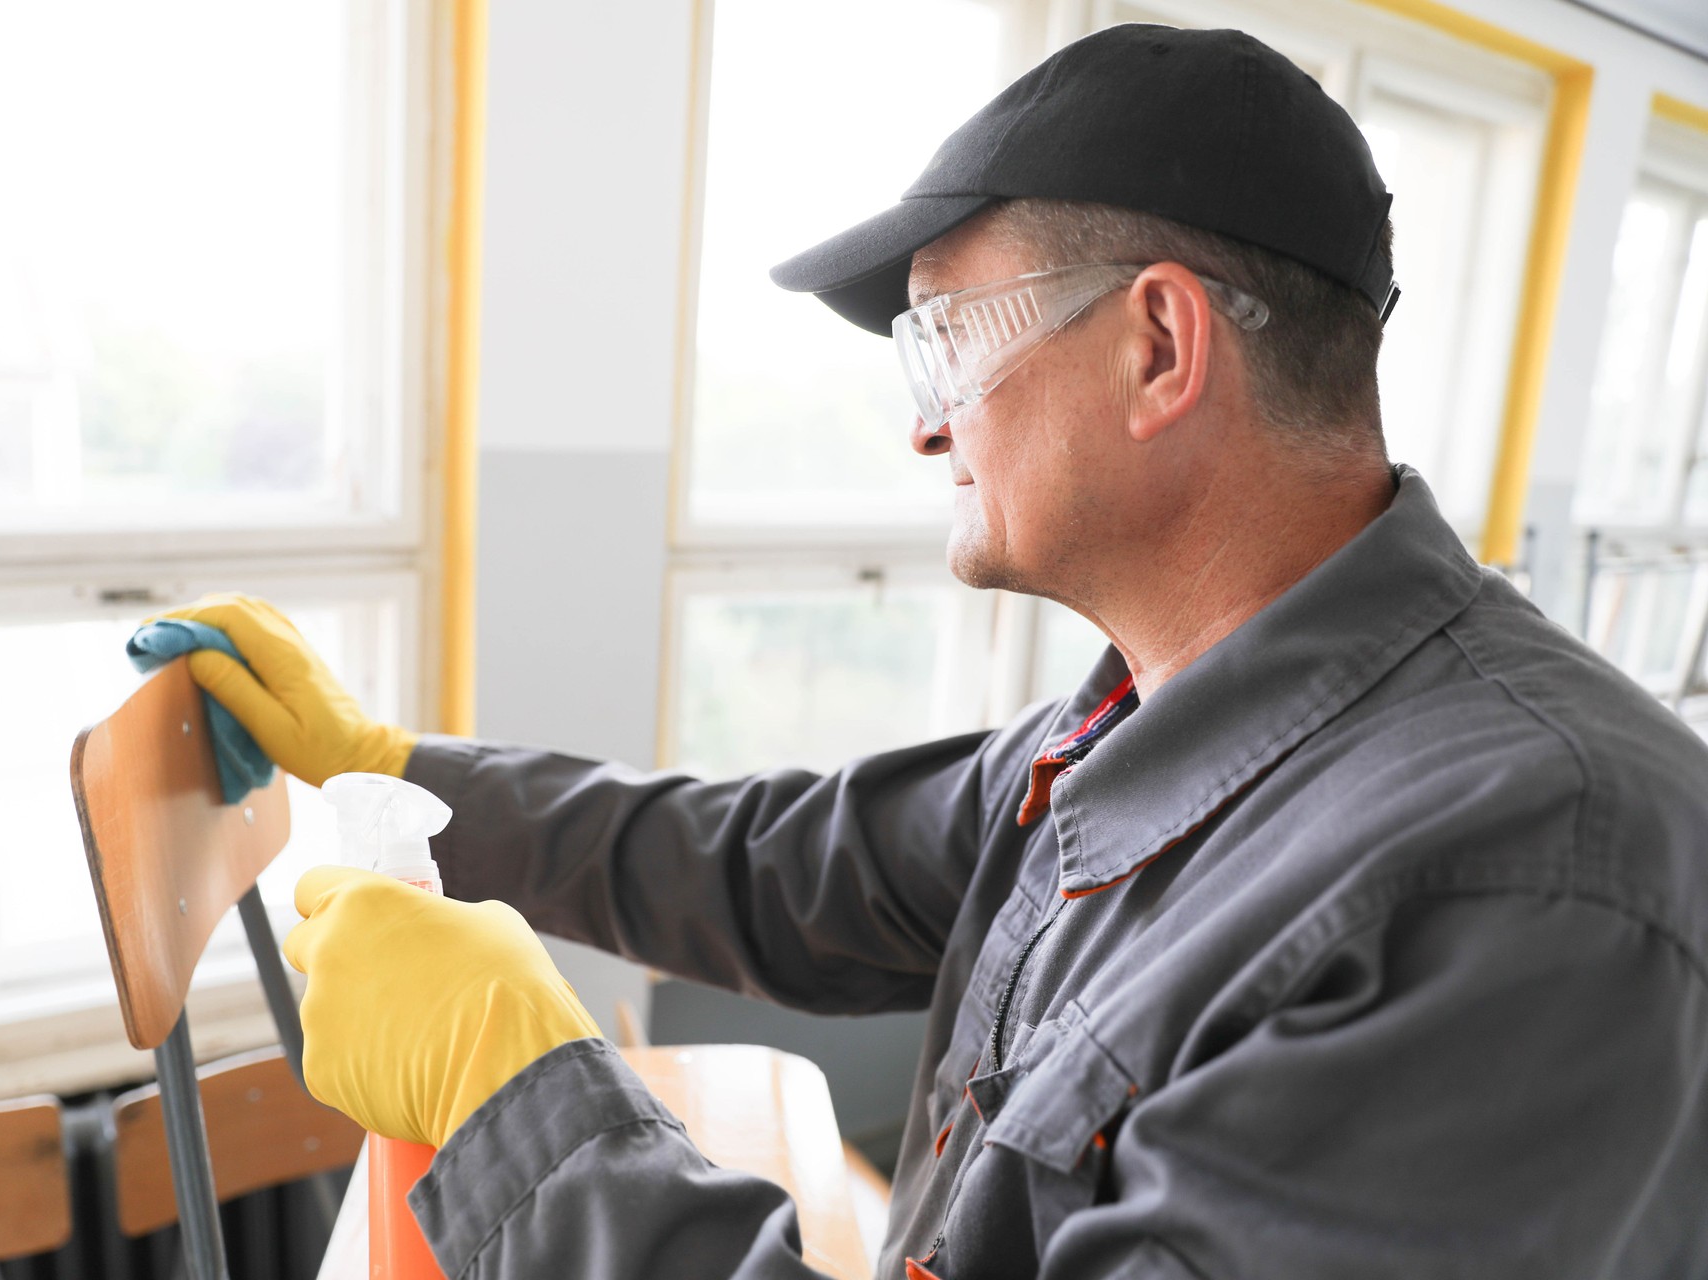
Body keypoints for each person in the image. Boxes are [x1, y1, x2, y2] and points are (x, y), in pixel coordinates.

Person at [163, 24, 1708, 1280]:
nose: (920, 422)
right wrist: (390, 771)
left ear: (1158, 348)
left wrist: (522, 1107)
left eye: (945, 337)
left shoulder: (1526, 886)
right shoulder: (1146, 730)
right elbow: (780, 864)